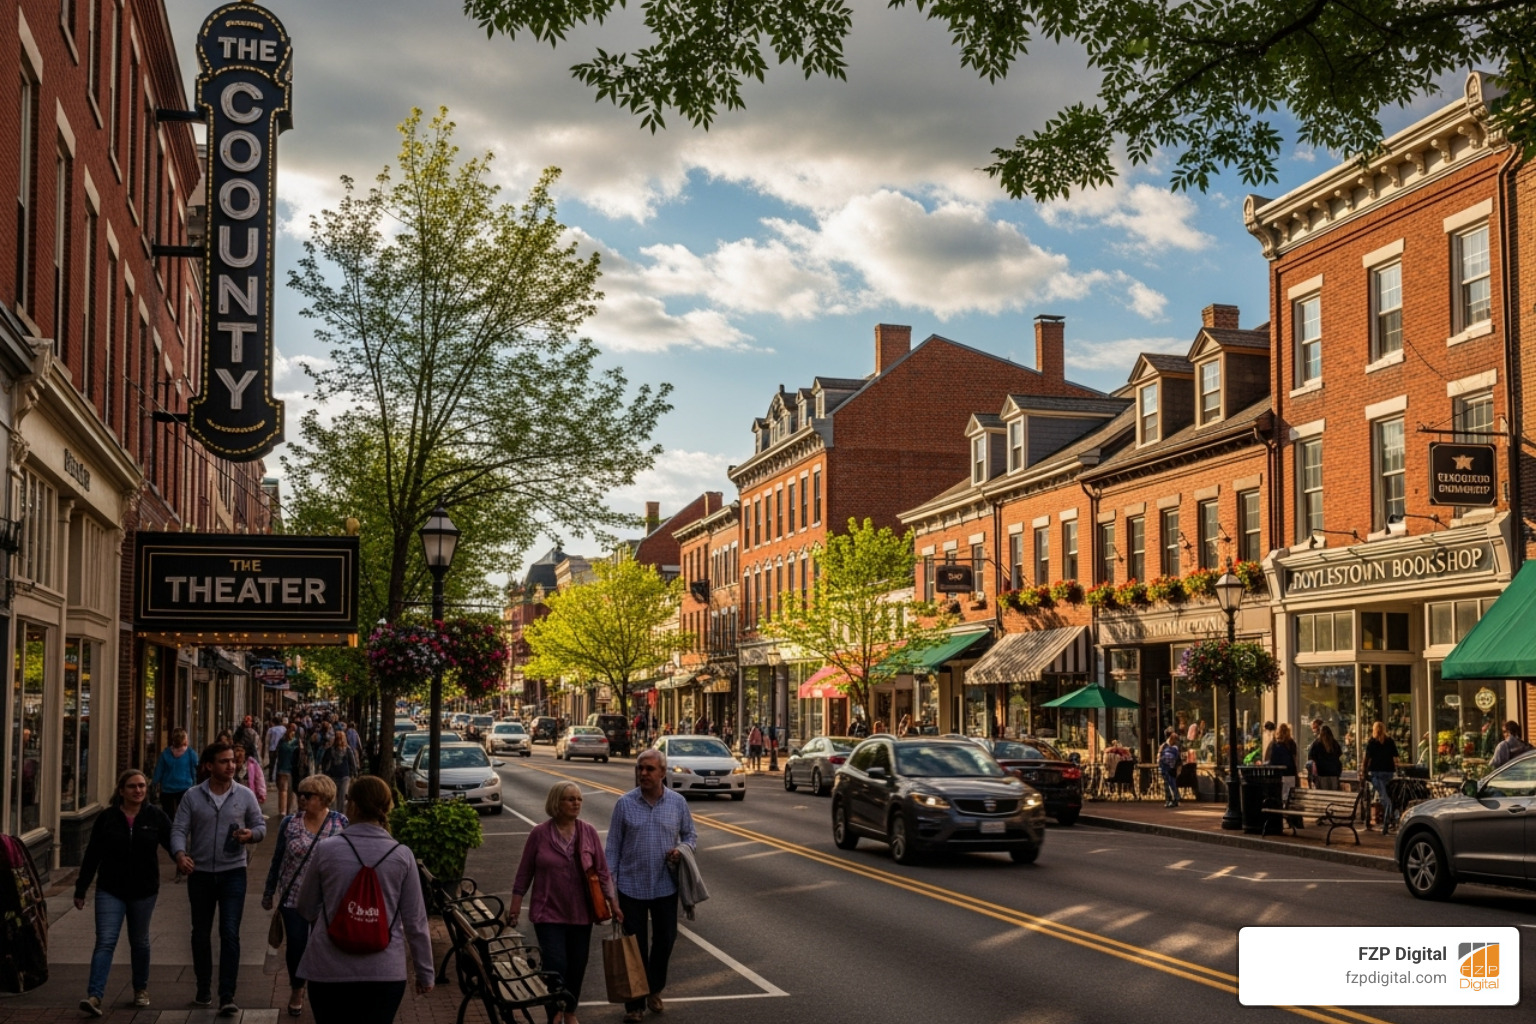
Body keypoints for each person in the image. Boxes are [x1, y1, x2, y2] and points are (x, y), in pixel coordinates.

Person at [294, 776, 433, 1023]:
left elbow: (306, 907)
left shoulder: (326, 850)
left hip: (328, 969)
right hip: (384, 972)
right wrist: (425, 973)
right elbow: (416, 922)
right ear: (387, 808)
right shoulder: (402, 856)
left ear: (354, 806)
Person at [508, 782, 621, 1024]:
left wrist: (613, 902)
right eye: (570, 799)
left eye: (579, 799)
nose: (576, 803)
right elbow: (524, 872)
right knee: (555, 964)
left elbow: (602, 871)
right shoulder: (539, 834)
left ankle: (570, 1011)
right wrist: (515, 905)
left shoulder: (588, 832)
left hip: (581, 913)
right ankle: (554, 1012)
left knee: (577, 966)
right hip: (547, 912)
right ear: (556, 803)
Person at [171, 743, 267, 1015]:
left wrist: (251, 835)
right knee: (200, 933)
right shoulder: (192, 796)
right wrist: (180, 855)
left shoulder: (244, 795)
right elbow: (179, 829)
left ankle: (227, 994)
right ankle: (203, 988)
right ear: (209, 766)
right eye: (224, 761)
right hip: (200, 874)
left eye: (232, 761)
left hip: (233, 873)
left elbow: (260, 826)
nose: (231, 765)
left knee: (229, 932)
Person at [607, 749, 697, 1024]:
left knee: (665, 939)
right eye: (640, 768)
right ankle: (634, 1005)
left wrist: (681, 850)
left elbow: (690, 835)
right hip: (631, 886)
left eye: (649, 769)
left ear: (662, 773)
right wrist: (611, 891)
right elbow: (612, 848)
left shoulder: (677, 803)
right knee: (634, 947)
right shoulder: (624, 804)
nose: (643, 773)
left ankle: (654, 989)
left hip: (664, 886)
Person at [74, 770, 175, 1016]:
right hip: (111, 889)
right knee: (105, 941)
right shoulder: (107, 818)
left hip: (144, 890)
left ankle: (140, 989)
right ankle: (95, 995)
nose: (138, 790)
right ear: (121, 791)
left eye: (141, 786)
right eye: (132, 786)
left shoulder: (155, 816)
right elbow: (93, 854)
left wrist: (182, 859)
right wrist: (81, 888)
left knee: (139, 941)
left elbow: (173, 843)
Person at [262, 775, 347, 1018]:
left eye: (308, 795)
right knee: (296, 945)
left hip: (327, 899)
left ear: (324, 798)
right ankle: (297, 989)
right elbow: (278, 858)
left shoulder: (340, 822)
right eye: (301, 793)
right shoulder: (290, 823)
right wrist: (269, 891)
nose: (302, 798)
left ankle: (323, 991)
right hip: (294, 896)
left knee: (326, 947)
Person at [151, 728, 198, 821]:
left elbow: (159, 771)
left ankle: (170, 829)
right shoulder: (190, 753)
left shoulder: (165, 754)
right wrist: (195, 785)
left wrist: (154, 784)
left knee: (168, 816)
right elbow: (194, 771)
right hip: (185, 788)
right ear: (185, 739)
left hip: (167, 789)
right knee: (183, 815)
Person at [1363, 722, 1400, 831]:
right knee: (1387, 795)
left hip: (1376, 772)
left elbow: (1367, 758)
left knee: (1384, 797)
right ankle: (1391, 818)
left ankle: (1389, 819)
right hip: (1388, 772)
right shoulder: (1390, 741)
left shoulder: (1372, 742)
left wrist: (1364, 771)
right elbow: (1396, 758)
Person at [319, 732, 359, 811]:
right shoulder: (330, 750)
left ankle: (341, 814)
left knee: (342, 798)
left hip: (344, 777)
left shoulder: (348, 750)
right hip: (332, 776)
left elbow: (352, 762)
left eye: (341, 739)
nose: (339, 741)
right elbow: (324, 761)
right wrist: (325, 773)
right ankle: (333, 813)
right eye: (338, 739)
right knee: (333, 798)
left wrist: (354, 774)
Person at [273, 725, 304, 816]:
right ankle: (284, 811)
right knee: (285, 791)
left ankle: (284, 811)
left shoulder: (286, 742)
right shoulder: (295, 743)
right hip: (286, 770)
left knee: (285, 791)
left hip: (287, 770)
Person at [1266, 722, 1300, 800]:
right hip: (1289, 772)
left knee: (1278, 796)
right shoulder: (1291, 743)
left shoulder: (1274, 744)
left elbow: (1269, 758)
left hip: (1276, 774)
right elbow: (1294, 759)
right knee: (1288, 796)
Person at [1307, 724, 1343, 790]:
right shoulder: (1334, 743)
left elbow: (1310, 757)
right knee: (1334, 793)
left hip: (1321, 773)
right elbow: (1339, 754)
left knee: (1323, 792)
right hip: (1334, 773)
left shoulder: (1317, 743)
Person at [1157, 729, 1181, 807]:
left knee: (1172, 783)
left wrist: (1178, 768)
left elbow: (1178, 759)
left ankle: (1174, 800)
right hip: (1165, 767)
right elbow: (1159, 756)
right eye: (1174, 739)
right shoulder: (1164, 746)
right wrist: (1160, 765)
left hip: (1172, 768)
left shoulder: (1175, 747)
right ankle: (1169, 799)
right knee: (1167, 784)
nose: (1175, 741)